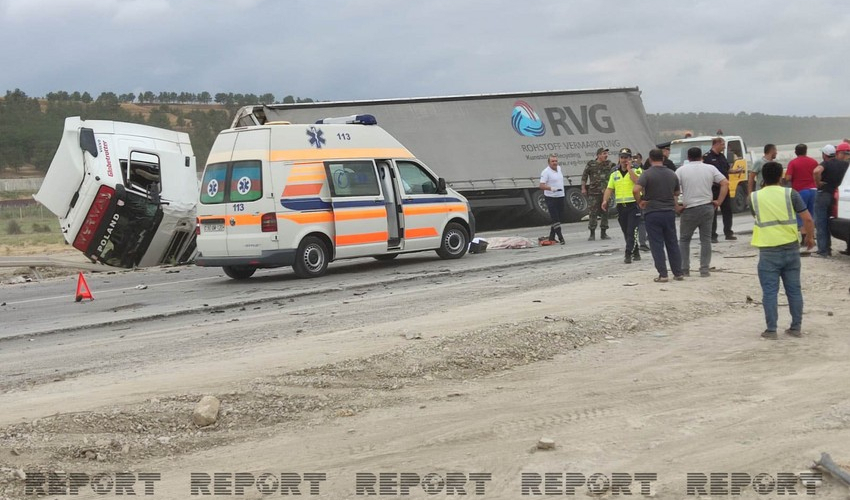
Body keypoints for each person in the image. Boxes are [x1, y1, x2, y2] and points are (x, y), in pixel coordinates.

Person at [750, 162, 814, 339]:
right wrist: (810, 238)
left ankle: (771, 330)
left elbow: (756, 216)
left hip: (768, 251)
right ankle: (796, 328)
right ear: (781, 176)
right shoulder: (790, 194)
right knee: (794, 290)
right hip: (791, 248)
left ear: (763, 177)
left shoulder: (754, 197)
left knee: (770, 292)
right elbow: (807, 219)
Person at [676, 147, 729, 277]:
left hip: (689, 208)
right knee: (705, 239)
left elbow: (673, 189)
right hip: (707, 207)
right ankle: (704, 269)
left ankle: (684, 269)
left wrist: (676, 206)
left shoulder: (681, 170)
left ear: (688, 158)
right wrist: (719, 201)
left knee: (684, 240)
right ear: (701, 157)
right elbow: (725, 183)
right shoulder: (710, 168)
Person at [634, 149, 684, 282]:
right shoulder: (672, 174)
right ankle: (678, 273)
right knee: (672, 242)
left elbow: (636, 189)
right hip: (668, 212)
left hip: (652, 212)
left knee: (657, 244)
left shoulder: (647, 174)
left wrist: (640, 201)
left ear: (650, 159)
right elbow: (676, 193)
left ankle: (663, 274)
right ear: (663, 159)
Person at [601, 148, 642, 263]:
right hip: (621, 206)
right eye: (622, 157)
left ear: (630, 159)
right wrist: (605, 200)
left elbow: (639, 182)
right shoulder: (614, 172)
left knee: (631, 231)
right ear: (619, 159)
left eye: (627, 158)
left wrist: (630, 170)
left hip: (633, 205)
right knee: (626, 232)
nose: (624, 160)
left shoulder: (637, 170)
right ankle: (636, 251)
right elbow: (609, 188)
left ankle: (628, 254)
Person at [812, 143, 850, 256]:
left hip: (824, 194)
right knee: (831, 220)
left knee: (821, 222)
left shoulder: (826, 163)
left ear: (824, 154)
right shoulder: (844, 164)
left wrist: (817, 183)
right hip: (836, 195)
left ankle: (824, 250)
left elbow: (816, 171)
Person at [703, 137, 738, 242]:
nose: (724, 147)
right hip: (713, 188)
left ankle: (728, 232)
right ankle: (713, 235)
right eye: (722, 144)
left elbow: (727, 169)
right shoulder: (707, 157)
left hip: (724, 187)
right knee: (712, 212)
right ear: (716, 144)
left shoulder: (722, 156)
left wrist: (735, 171)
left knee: (727, 210)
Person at [784, 144, 818, 243]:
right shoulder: (813, 161)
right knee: (811, 214)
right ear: (806, 151)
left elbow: (788, 178)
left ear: (795, 152)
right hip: (813, 190)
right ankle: (811, 236)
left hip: (800, 191)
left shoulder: (793, 163)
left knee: (801, 214)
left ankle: (804, 237)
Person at [581, 148, 613, 241]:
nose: (606, 155)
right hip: (594, 193)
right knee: (593, 213)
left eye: (606, 153)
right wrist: (583, 188)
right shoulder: (591, 164)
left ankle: (604, 233)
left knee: (605, 213)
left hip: (605, 193)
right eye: (604, 153)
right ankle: (592, 233)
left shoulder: (609, 164)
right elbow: (584, 176)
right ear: (598, 155)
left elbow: (616, 172)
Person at [539, 154, 566, 245]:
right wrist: (551, 188)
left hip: (560, 196)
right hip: (551, 197)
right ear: (549, 162)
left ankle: (551, 237)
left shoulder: (559, 168)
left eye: (556, 161)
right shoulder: (546, 172)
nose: (555, 163)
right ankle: (561, 237)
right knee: (555, 218)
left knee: (559, 217)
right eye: (552, 161)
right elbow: (541, 185)